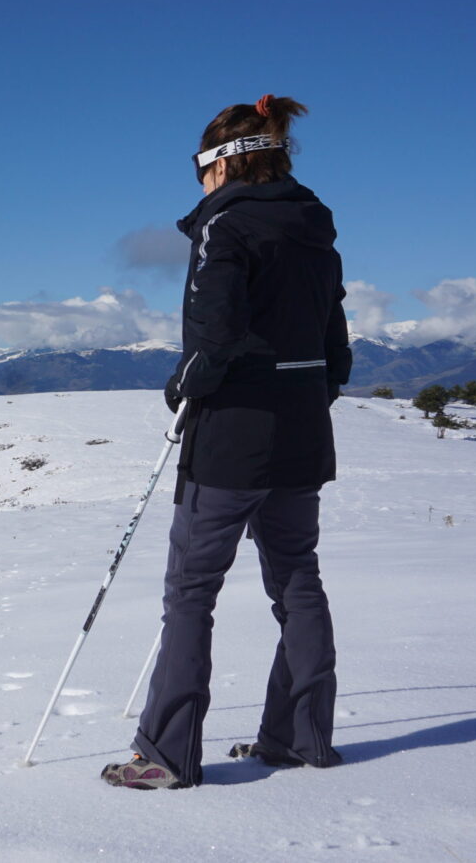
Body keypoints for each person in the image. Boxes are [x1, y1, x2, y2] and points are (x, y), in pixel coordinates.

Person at [102, 95, 351, 790]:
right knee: (297, 579)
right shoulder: (315, 229)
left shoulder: (226, 226)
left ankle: (165, 756)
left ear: (221, 164)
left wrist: (184, 387)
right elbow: (336, 343)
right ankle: (301, 739)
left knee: (191, 592)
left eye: (197, 166)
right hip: (302, 432)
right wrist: (307, 399)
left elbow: (214, 334)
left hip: (232, 436)